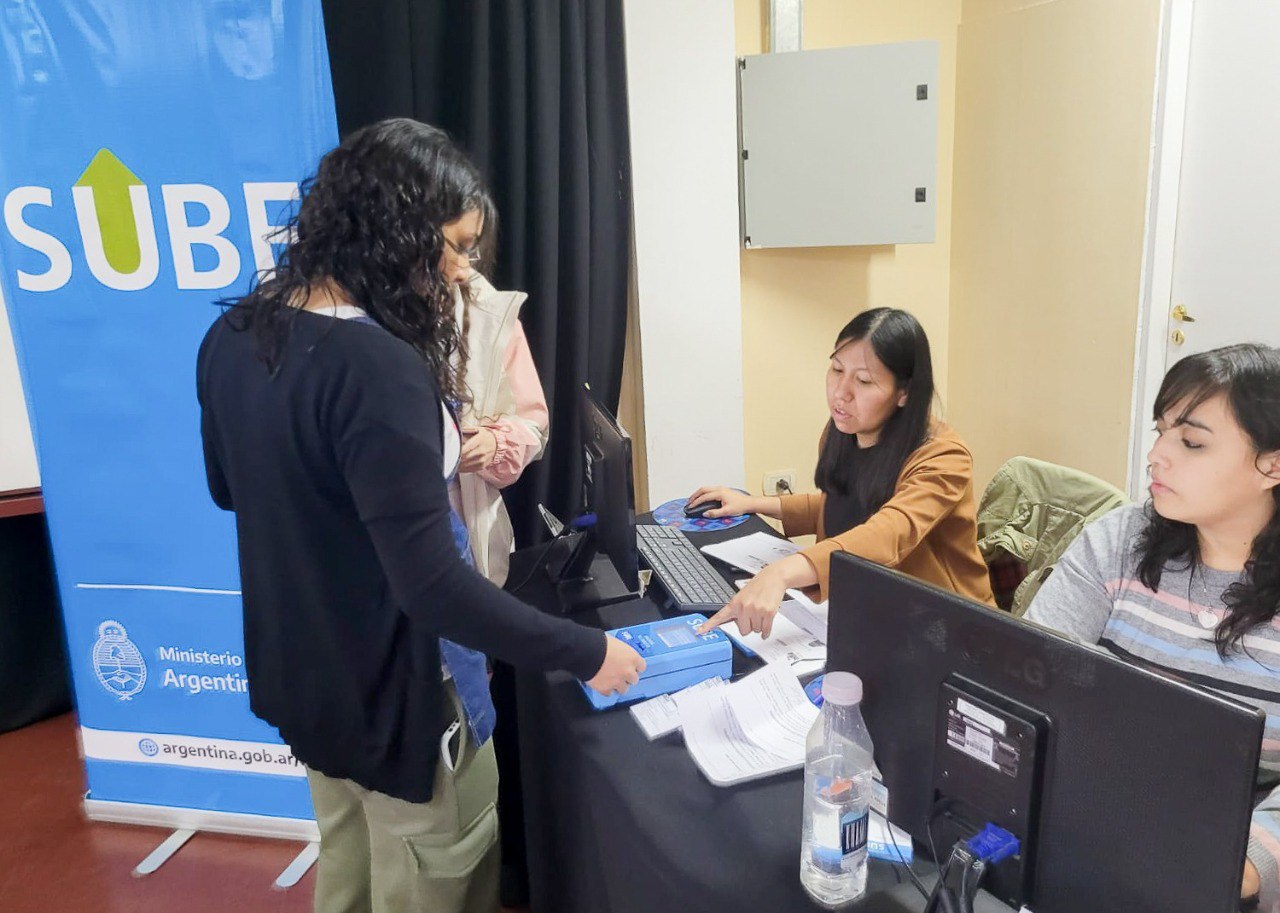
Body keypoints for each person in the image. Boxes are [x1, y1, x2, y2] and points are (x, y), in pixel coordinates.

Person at [196, 118, 644, 913]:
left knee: (351, 861)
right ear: (396, 232)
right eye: (456, 245)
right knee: (440, 868)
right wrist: (585, 651)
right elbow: (434, 588)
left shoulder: (233, 333)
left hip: (307, 674)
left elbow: (229, 490)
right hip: (401, 692)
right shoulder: (380, 371)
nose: (463, 271)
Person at [1024, 343, 1280, 909]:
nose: (1156, 456)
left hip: (1214, 864)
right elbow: (1030, 671)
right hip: (1087, 817)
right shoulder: (1118, 542)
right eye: (1161, 431)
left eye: (1191, 442)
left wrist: (1247, 862)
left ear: (1273, 464)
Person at [690, 307, 993, 637]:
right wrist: (752, 503)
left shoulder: (944, 456)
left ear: (904, 392)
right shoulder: (844, 431)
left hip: (950, 630)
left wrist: (782, 573)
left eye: (863, 380)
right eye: (836, 370)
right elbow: (842, 504)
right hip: (869, 612)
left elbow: (889, 531)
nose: (841, 392)